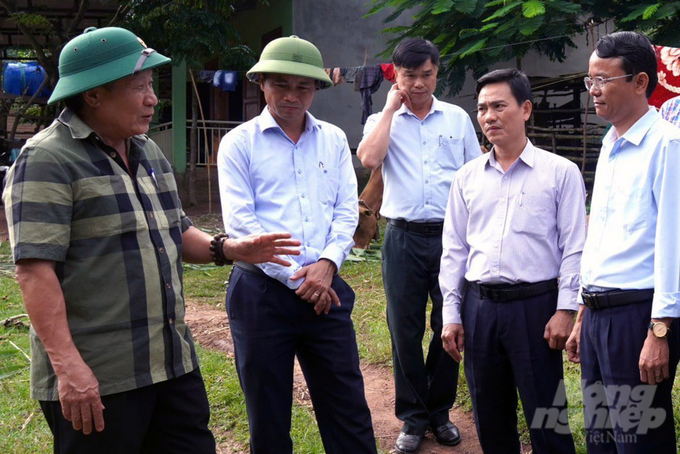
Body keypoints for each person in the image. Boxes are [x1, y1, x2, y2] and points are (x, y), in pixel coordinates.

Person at [2, 26, 301, 454]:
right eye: (139, 86)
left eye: (151, 86)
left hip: (171, 364)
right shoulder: (47, 159)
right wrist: (69, 368)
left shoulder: (147, 151)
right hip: (101, 377)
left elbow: (176, 232)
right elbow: (34, 271)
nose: (152, 98)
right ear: (94, 95)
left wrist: (228, 248)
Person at [217, 35, 377, 454]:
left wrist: (327, 266)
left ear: (317, 88)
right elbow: (240, 224)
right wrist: (301, 280)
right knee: (267, 415)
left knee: (347, 409)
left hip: (327, 292)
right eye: (281, 84)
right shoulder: (238, 143)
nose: (291, 96)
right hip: (262, 295)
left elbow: (347, 210)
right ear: (262, 84)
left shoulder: (334, 140)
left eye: (303, 86)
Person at [439, 68, 585, 454]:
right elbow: (454, 249)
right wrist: (452, 314)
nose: (488, 116)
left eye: (499, 106)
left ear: (525, 109)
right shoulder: (466, 178)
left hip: (537, 309)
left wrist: (566, 308)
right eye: (482, 108)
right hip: (480, 308)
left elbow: (574, 246)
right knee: (489, 414)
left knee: (546, 416)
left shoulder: (560, 173)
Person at [357, 37, 480, 454]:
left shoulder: (458, 119)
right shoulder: (381, 118)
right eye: (410, 76)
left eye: (426, 75)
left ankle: (439, 412)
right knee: (402, 330)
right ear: (396, 75)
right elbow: (370, 160)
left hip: (451, 237)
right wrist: (391, 108)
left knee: (449, 326)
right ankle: (412, 418)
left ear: (437, 72)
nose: (419, 84)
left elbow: (472, 178)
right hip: (403, 237)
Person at [566, 31, 680, 454]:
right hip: (598, 316)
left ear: (639, 82)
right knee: (601, 437)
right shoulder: (611, 143)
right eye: (589, 80)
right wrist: (582, 313)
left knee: (639, 439)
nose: (593, 91)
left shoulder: (667, 146)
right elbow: (602, 238)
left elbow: (674, 243)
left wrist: (660, 330)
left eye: (603, 80)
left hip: (636, 318)